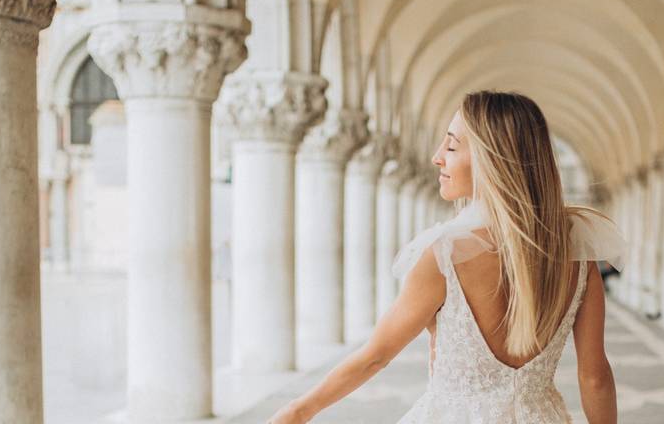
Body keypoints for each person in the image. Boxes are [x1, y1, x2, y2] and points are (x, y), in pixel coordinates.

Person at [268, 90, 626, 423]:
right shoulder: (576, 256)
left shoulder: (445, 256)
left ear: (491, 161)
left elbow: (375, 356)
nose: (436, 156)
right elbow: (594, 376)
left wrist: (300, 410)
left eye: (452, 147)